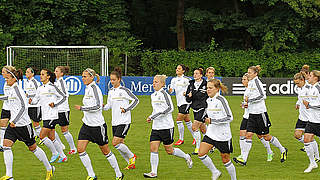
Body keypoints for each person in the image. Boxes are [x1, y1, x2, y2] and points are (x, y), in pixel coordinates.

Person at [0, 67, 54, 180]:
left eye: (7, 78)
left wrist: (15, 120)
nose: (6, 80)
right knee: (6, 146)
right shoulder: (11, 89)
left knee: (33, 148)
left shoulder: (18, 90)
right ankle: (9, 176)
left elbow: (24, 107)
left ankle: (49, 168)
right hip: (13, 125)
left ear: (14, 79)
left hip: (23, 125)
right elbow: (9, 98)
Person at [74, 68, 124, 180]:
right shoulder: (87, 89)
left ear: (92, 77)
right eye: (82, 76)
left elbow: (97, 106)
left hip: (98, 126)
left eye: (85, 76)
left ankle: (118, 173)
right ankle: (91, 175)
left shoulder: (95, 89)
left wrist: (82, 108)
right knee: (80, 149)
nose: (83, 78)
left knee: (105, 151)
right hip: (86, 125)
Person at [233, 65, 287, 166]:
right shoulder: (251, 83)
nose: (248, 74)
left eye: (250, 73)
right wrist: (246, 104)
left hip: (260, 113)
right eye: (248, 72)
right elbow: (250, 99)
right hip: (252, 115)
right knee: (248, 135)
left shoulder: (257, 82)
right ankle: (243, 159)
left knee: (266, 136)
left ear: (255, 74)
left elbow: (263, 95)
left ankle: (282, 149)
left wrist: (250, 101)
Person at [143, 75, 193, 178]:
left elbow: (170, 108)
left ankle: (186, 156)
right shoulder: (153, 95)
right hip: (156, 127)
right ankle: (153, 172)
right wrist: (151, 116)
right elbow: (155, 110)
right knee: (153, 148)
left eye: (156, 82)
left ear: (162, 84)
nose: (154, 83)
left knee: (170, 151)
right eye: (153, 81)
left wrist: (154, 116)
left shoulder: (165, 94)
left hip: (166, 127)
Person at [198, 79, 237, 180]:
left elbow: (229, 117)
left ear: (217, 89)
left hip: (223, 135)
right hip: (211, 133)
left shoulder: (221, 100)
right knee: (201, 153)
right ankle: (215, 172)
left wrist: (212, 120)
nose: (208, 90)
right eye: (207, 88)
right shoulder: (208, 100)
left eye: (210, 88)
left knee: (225, 160)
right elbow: (207, 115)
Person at [29, 68, 68, 163]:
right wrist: (31, 101)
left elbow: (63, 96)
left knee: (42, 136)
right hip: (45, 115)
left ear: (48, 76)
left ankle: (55, 153)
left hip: (52, 116)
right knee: (52, 137)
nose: (41, 76)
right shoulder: (40, 88)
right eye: (40, 74)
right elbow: (35, 100)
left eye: (43, 74)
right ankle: (63, 156)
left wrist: (55, 104)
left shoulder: (52, 87)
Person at [104, 67, 139, 170]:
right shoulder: (110, 92)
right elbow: (108, 106)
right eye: (111, 79)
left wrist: (126, 109)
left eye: (114, 79)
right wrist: (102, 106)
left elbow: (136, 100)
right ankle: (130, 163)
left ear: (119, 79)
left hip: (124, 121)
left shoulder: (124, 90)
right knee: (120, 144)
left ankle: (132, 156)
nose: (112, 81)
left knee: (115, 143)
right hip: (114, 121)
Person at [235, 73, 273, 162]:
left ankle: (269, 151)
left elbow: (259, 98)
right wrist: (244, 105)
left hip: (254, 115)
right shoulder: (246, 90)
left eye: (244, 79)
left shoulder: (253, 88)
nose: (242, 81)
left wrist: (248, 103)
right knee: (242, 134)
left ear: (249, 81)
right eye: (242, 79)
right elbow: (247, 103)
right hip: (246, 116)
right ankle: (242, 155)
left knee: (261, 136)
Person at [293, 72, 319, 159]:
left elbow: (312, 101)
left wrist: (309, 105)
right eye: (295, 83)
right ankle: (311, 145)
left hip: (310, 117)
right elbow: (301, 98)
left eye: (298, 83)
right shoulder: (299, 88)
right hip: (302, 116)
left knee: (309, 137)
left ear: (303, 80)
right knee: (297, 135)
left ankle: (317, 156)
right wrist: (298, 103)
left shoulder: (309, 88)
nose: (297, 85)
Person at [168, 64, 194, 146]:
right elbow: (171, 91)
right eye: (176, 68)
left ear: (183, 71)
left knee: (179, 120)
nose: (177, 69)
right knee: (187, 121)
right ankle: (196, 137)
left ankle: (181, 139)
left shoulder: (187, 79)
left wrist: (187, 93)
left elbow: (192, 88)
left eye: (179, 68)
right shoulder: (173, 80)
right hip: (179, 102)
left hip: (186, 102)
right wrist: (170, 90)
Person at [54, 66, 76, 154]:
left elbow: (65, 95)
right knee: (49, 128)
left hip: (63, 109)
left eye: (56, 71)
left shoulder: (62, 82)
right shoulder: (56, 82)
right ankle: (60, 145)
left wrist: (56, 103)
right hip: (55, 110)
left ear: (61, 73)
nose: (55, 72)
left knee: (64, 131)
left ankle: (73, 148)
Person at [185, 68, 208, 155]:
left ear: (201, 75)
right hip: (194, 108)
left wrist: (193, 95)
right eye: (194, 73)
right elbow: (187, 99)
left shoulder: (205, 84)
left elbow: (205, 96)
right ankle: (211, 144)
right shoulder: (190, 85)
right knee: (203, 129)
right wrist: (189, 96)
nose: (195, 75)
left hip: (203, 108)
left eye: (197, 73)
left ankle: (198, 148)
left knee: (194, 127)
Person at [302, 70, 320, 173]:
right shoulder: (311, 88)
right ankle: (312, 163)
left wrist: (309, 105)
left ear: (316, 78)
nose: (309, 77)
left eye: (311, 75)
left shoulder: (318, 88)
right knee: (306, 139)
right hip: (312, 120)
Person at [24, 67, 42, 139]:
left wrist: (33, 100)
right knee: (27, 121)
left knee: (36, 123)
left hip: (36, 105)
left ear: (32, 73)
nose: (26, 73)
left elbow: (40, 93)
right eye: (26, 72)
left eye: (28, 72)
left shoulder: (35, 82)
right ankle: (34, 135)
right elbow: (27, 94)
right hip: (28, 106)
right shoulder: (26, 82)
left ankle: (41, 137)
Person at [0, 66, 12, 152]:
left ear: (8, 73)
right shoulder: (5, 81)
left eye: (3, 72)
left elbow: (10, 97)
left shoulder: (13, 82)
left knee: (20, 126)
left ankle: (33, 135)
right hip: (5, 107)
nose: (2, 73)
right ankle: (1, 145)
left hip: (13, 108)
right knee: (2, 126)